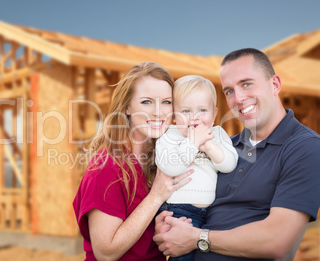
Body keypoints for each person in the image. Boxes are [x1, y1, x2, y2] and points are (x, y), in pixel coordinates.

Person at [153, 48, 320, 261]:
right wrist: (168, 223)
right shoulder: (225, 147)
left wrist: (197, 238)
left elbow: (279, 242)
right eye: (229, 91)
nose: (238, 98)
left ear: (275, 85)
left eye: (247, 84)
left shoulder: (305, 147)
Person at [73, 61, 194, 261]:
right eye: (146, 102)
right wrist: (156, 197)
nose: (158, 112)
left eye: (166, 102)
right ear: (127, 107)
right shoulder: (106, 168)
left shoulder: (163, 160)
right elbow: (106, 252)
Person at [155, 75, 238, 261]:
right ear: (174, 116)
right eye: (186, 111)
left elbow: (229, 164)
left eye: (202, 110)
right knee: (183, 255)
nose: (195, 117)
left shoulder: (217, 134)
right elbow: (171, 167)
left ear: (214, 114)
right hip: (178, 210)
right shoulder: (169, 136)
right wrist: (192, 143)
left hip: (211, 213)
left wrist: (208, 146)